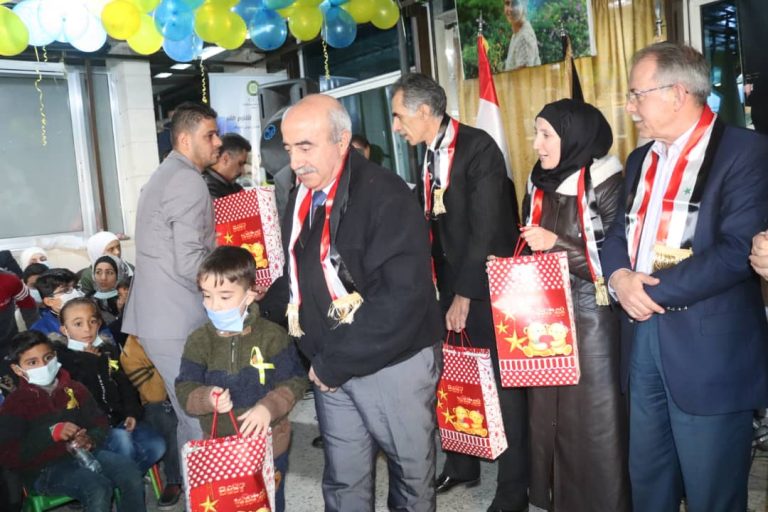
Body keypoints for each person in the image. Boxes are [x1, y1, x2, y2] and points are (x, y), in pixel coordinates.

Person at [601, 42, 768, 512]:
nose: (630, 107)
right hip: (642, 338)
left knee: (712, 490)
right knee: (648, 480)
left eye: (637, 94)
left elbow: (736, 250)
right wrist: (619, 277)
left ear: (677, 94)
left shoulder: (745, 152)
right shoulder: (640, 158)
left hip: (708, 347)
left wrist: (645, 289)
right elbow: (618, 232)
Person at [277, 93, 443, 511]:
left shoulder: (384, 194)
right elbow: (303, 273)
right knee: (344, 481)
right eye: (289, 148)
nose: (295, 162)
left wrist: (332, 364)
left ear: (342, 141)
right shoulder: (302, 196)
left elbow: (401, 299)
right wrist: (256, 303)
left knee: (410, 481)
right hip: (331, 362)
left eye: (305, 147)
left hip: (391, 364)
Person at [390, 73, 529, 512]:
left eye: (399, 116)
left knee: (502, 387)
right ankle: (462, 462)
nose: (395, 126)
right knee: (454, 377)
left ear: (423, 111)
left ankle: (514, 489)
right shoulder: (429, 153)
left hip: (484, 287)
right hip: (447, 284)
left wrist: (465, 296)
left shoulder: (478, 147)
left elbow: (487, 228)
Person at [521, 99, 629, 512]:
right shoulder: (539, 181)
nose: (537, 144)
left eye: (546, 135)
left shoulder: (606, 180)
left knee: (593, 426)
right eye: (536, 133)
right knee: (547, 419)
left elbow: (616, 263)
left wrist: (556, 245)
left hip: (592, 319)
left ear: (574, 138)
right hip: (545, 318)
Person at [176, 246, 308, 512]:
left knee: (269, 502)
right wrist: (206, 398)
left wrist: (268, 408)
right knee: (227, 503)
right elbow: (185, 388)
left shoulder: (272, 336)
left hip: (270, 446)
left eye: (224, 296)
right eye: (207, 296)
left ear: (249, 295)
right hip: (219, 449)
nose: (213, 305)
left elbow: (295, 381)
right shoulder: (199, 340)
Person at [122, 101, 221, 450]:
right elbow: (189, 261)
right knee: (200, 420)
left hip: (161, 317)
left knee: (190, 419)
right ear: (184, 139)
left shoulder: (165, 174)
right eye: (210, 135)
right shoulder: (186, 180)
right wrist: (232, 290)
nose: (218, 142)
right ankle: (207, 487)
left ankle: (192, 485)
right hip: (176, 318)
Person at [0, 330, 146, 512]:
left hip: (84, 455)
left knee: (130, 471)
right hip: (44, 470)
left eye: (48, 358)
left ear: (55, 356)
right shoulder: (15, 404)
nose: (43, 365)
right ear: (17, 369)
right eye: (32, 363)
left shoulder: (75, 389)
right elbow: (8, 454)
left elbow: (99, 423)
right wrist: (50, 435)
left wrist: (90, 439)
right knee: (97, 488)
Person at [57, 298, 166, 474]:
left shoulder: (108, 351)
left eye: (93, 321)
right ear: (64, 329)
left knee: (157, 445)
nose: (87, 329)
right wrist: (90, 362)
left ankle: (125, 477)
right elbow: (78, 394)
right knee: (122, 441)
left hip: (119, 420)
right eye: (78, 324)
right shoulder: (64, 360)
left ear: (99, 323)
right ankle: (127, 480)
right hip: (92, 429)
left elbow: (125, 385)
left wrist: (131, 412)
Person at [119, 330, 183, 509]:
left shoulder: (176, 331)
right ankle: (174, 479)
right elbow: (154, 395)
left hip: (183, 392)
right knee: (164, 415)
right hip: (153, 405)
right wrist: (160, 356)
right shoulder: (131, 352)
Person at [29, 268, 82, 337]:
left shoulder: (91, 313)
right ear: (49, 302)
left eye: (76, 287)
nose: (75, 292)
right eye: (65, 290)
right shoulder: (39, 330)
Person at [79, 231, 134, 296]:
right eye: (111, 249)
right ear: (97, 252)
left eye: (118, 247)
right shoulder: (88, 276)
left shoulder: (129, 268)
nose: (117, 252)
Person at [202, 132, 252, 199]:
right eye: (240, 164)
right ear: (225, 159)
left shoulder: (234, 187)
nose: (242, 171)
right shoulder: (207, 188)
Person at [503, 0, 541, 71]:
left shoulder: (524, 37)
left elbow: (523, 76)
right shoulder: (517, 33)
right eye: (507, 3)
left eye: (515, 4)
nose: (510, 9)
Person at [88, 254, 124, 324]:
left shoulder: (126, 296)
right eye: (98, 272)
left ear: (118, 275)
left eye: (109, 272)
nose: (103, 278)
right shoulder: (88, 298)